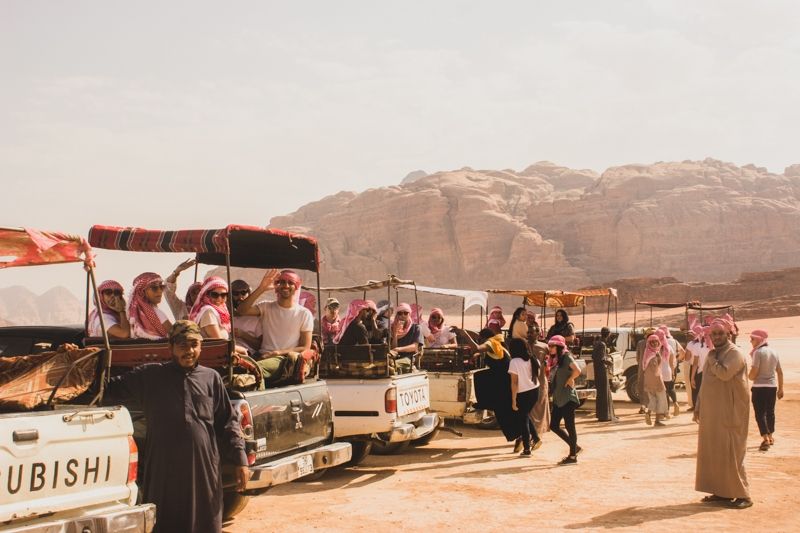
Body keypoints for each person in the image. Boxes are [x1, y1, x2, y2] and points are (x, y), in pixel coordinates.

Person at [104, 321, 249, 533]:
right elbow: (108, 386)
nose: (189, 350)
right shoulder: (150, 377)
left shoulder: (211, 379)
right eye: (182, 345)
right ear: (170, 347)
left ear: (200, 347)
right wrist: (90, 362)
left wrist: (240, 460)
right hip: (164, 473)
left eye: (193, 344)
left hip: (204, 471)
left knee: (205, 523)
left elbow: (228, 423)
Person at [695, 319, 752, 509]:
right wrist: (699, 404)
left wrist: (711, 358)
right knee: (715, 451)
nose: (717, 337)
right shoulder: (714, 353)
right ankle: (722, 492)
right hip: (713, 412)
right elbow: (706, 382)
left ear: (728, 334)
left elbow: (724, 374)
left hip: (731, 412)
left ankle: (744, 494)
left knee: (732, 452)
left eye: (720, 333)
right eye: (714, 334)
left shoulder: (734, 353)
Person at [237, 269, 314, 384]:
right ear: (276, 286)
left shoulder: (303, 313)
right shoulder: (266, 307)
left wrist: (278, 353)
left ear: (296, 286)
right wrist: (261, 288)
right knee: (236, 366)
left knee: (254, 369)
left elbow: (305, 347)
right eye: (281, 282)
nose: (286, 286)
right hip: (262, 355)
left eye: (290, 282)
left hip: (283, 359)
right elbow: (241, 310)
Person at [748, 329, 783, 451]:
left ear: (758, 339)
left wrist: (748, 376)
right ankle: (771, 436)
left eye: (752, 339)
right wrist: (781, 388)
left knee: (760, 414)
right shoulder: (774, 352)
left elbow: (754, 372)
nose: (750, 341)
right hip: (772, 387)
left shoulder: (758, 352)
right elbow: (779, 372)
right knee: (770, 412)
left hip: (759, 387)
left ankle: (765, 439)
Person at [548, 335, 581, 465]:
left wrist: (570, 378)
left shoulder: (567, 357)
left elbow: (577, 370)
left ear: (559, 347)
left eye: (552, 346)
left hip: (568, 397)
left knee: (570, 426)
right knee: (554, 425)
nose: (550, 348)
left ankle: (572, 456)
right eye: (549, 346)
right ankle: (575, 447)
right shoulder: (556, 360)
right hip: (558, 398)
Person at [508, 338, 542, 456]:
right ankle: (536, 438)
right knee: (525, 416)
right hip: (535, 390)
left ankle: (527, 449)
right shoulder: (533, 359)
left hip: (523, 393)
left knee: (523, 420)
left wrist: (513, 400)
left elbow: (514, 383)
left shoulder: (514, 362)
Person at [128, 272, 172, 339]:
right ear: (142, 291)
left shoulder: (130, 314)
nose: (159, 291)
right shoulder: (157, 313)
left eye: (161, 287)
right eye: (154, 288)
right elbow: (175, 334)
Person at [642, 334, 668, 426]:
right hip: (656, 379)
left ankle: (648, 413)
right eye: (652, 342)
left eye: (655, 341)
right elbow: (655, 369)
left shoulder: (648, 352)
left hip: (648, 380)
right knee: (660, 399)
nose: (654, 343)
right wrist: (660, 382)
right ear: (649, 343)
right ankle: (657, 420)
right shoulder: (653, 355)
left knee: (653, 399)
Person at [231, 279, 262, 353]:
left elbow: (260, 346)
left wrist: (243, 335)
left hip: (247, 354)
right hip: (226, 353)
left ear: (249, 294)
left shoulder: (256, 317)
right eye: (235, 293)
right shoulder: (225, 314)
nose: (240, 296)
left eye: (243, 292)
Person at [390, 303, 422, 373]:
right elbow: (393, 348)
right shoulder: (392, 328)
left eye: (405, 313)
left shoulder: (415, 328)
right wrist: (395, 333)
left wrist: (400, 349)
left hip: (408, 357)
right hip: (394, 356)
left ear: (409, 314)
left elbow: (415, 347)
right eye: (400, 313)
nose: (403, 315)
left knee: (392, 364)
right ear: (396, 315)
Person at [592, 327, 616, 422]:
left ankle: (604, 415)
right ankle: (605, 415)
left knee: (602, 392)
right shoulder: (602, 344)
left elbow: (594, 356)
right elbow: (601, 359)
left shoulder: (597, 343)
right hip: (601, 371)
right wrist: (609, 362)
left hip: (598, 371)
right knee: (604, 392)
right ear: (609, 334)